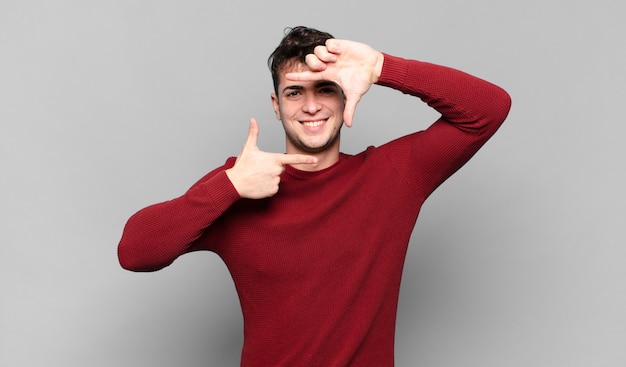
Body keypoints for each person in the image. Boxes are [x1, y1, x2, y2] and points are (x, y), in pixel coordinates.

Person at [118, 26, 511, 366]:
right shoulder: (240, 183)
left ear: (344, 98)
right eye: (294, 92)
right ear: (276, 106)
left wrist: (380, 67)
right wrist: (231, 186)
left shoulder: (391, 177)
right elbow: (135, 252)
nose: (310, 106)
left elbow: (488, 109)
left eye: (325, 89)